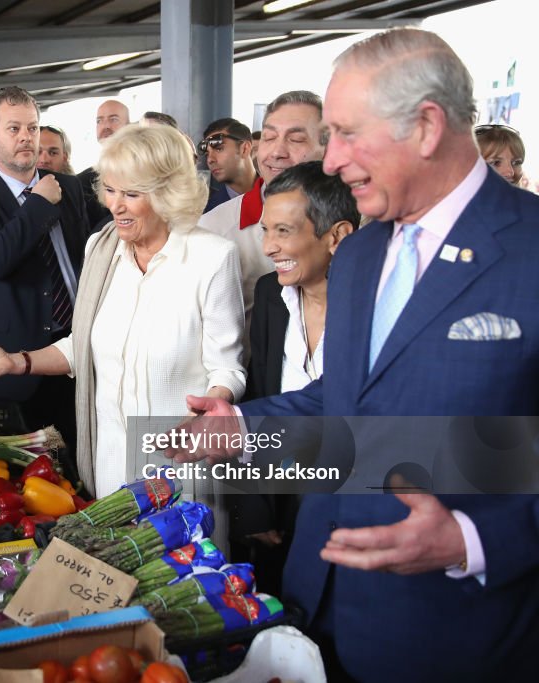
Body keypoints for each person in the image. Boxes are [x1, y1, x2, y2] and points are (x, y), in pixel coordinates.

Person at [172, 28, 539, 681]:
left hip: (458, 634)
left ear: (426, 127)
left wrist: (471, 541)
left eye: (345, 133)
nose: (331, 160)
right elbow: (343, 399)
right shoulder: (363, 253)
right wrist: (246, 427)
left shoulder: (530, 250)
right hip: (320, 603)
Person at [0, 124, 245, 550]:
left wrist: (215, 403)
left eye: (131, 194)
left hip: (181, 476)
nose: (115, 205)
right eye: (109, 190)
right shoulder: (102, 251)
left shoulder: (211, 258)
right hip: (110, 477)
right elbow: (84, 343)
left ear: (167, 192)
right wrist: (16, 361)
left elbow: (228, 365)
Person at [0, 86, 89, 478]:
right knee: (25, 484)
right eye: (14, 129)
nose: (26, 137)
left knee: (79, 471)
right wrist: (39, 204)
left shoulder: (69, 188)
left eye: (32, 127)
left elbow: (83, 260)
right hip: (10, 364)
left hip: (73, 353)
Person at [233, 160, 358, 596]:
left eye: (283, 231)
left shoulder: (376, 311)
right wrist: (254, 505)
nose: (268, 246)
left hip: (348, 517)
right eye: (265, 230)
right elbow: (261, 393)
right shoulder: (270, 295)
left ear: (337, 236)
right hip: (279, 501)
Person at [199, 91, 326, 346]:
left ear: (328, 148)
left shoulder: (357, 223)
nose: (277, 151)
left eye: (296, 139)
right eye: (268, 137)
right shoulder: (212, 229)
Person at [78, 100, 130, 230]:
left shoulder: (141, 172)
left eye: (113, 119)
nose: (105, 126)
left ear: (129, 126)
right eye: (99, 121)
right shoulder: (82, 181)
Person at [200, 118, 257, 214]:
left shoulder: (280, 195)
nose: (210, 159)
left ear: (245, 149)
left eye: (219, 149)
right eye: (207, 154)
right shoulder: (208, 212)